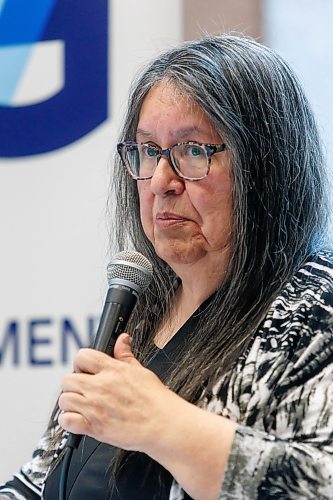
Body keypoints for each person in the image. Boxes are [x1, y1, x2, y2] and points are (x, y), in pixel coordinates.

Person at [1, 33, 333, 500]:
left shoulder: (316, 311)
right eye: (148, 151)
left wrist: (164, 424)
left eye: (193, 150)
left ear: (264, 164)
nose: (160, 180)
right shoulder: (136, 315)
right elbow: (37, 484)